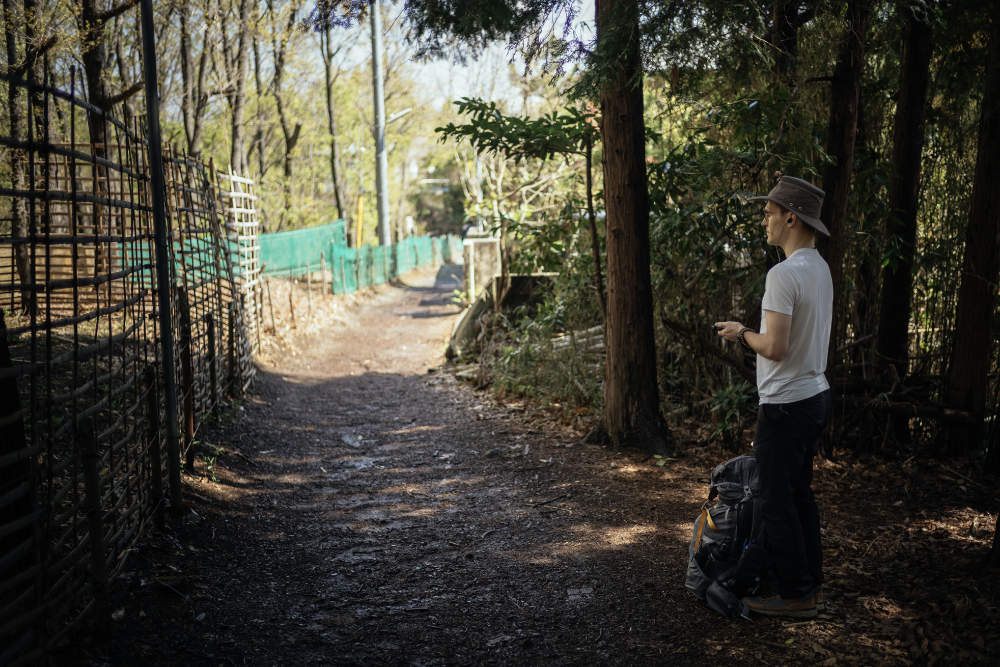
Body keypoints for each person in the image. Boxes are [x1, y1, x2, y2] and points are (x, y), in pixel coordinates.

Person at [714, 175, 833, 619]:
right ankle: (810, 583)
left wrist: (741, 333)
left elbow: (776, 347)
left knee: (776, 501)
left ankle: (798, 594)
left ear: (791, 217)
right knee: (799, 492)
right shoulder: (818, 268)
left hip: (786, 404)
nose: (764, 219)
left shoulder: (783, 275)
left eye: (769, 212)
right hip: (815, 396)